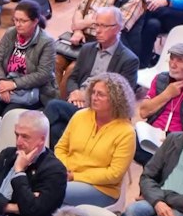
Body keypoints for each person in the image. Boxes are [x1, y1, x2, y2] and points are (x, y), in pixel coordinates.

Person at [55, 72, 136, 207]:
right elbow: (60, 148)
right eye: (93, 92)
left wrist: (76, 176)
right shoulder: (80, 116)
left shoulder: (126, 132)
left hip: (101, 189)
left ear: (116, 100)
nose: (94, 98)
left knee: (52, 192)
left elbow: (114, 174)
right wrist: (65, 169)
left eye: (101, 95)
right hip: (67, 176)